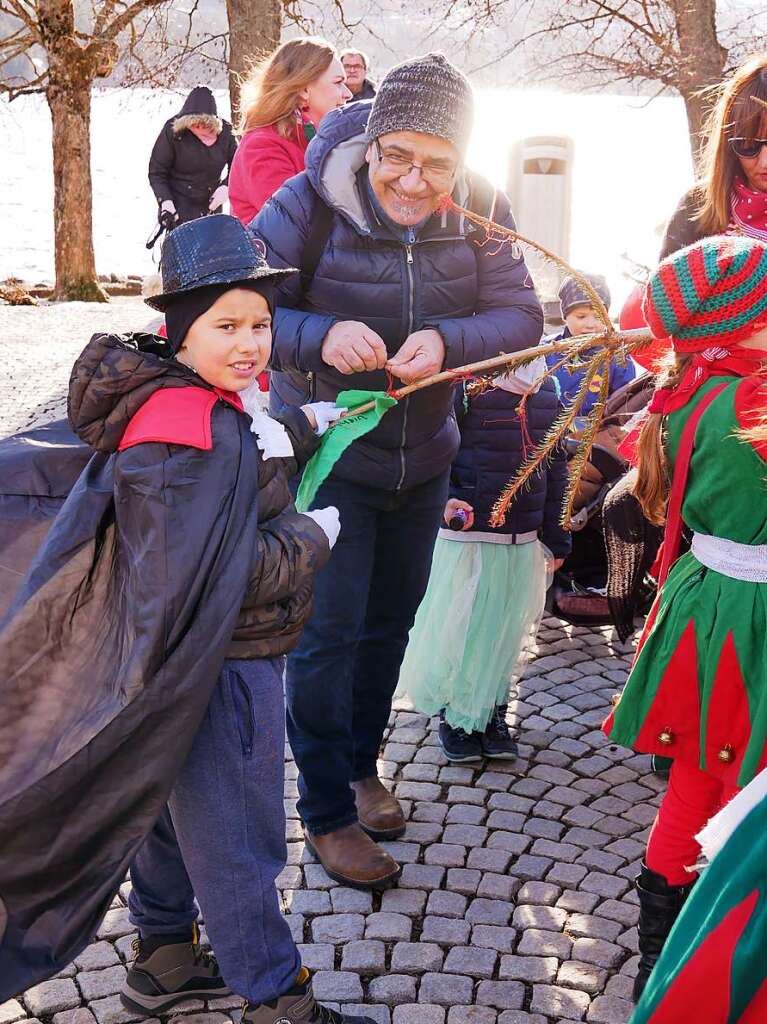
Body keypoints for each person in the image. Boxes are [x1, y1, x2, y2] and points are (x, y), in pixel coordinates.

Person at [0, 214, 378, 1024]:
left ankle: (165, 959)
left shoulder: (197, 401)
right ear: (179, 330)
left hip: (178, 668)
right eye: (225, 325)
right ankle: (276, 996)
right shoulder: (188, 432)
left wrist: (306, 426)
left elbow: (230, 479)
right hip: (222, 663)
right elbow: (208, 574)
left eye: (260, 324)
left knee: (169, 811)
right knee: (237, 840)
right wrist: (311, 537)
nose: (249, 344)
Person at [253, 52, 543, 890]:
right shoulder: (307, 201)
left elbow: (521, 313)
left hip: (425, 459)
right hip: (328, 458)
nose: (415, 183)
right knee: (326, 634)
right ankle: (325, 812)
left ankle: (360, 765)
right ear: (372, 141)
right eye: (398, 158)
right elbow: (243, 309)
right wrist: (319, 335)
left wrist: (451, 342)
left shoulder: (481, 206)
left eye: (437, 163)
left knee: (388, 626)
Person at [603, 234, 767, 1004]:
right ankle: (721, 958)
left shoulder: (689, 389)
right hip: (753, 615)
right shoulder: (752, 401)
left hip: (702, 601)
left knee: (694, 784)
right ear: (745, 321)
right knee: (743, 785)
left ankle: (655, 962)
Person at [394, 357, 571, 763]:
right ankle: (456, 716)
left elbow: (558, 466)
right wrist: (446, 499)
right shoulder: (467, 386)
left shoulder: (549, 390)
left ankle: (491, 712)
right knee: (464, 625)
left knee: (504, 631)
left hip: (521, 537)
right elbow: (435, 450)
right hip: (468, 534)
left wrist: (557, 538)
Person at [229, 38, 352, 225]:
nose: (348, 94)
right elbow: (297, 222)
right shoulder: (263, 146)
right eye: (338, 82)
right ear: (304, 89)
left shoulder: (315, 139)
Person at [660, 55, 767, 259]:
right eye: (747, 145)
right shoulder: (697, 206)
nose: (764, 162)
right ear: (727, 144)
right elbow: (662, 288)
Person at [543, 273, 635, 416]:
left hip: (596, 434)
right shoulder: (546, 351)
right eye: (581, 316)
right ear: (565, 316)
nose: (591, 325)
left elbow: (625, 403)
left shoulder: (617, 356)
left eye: (598, 317)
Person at [148, 86, 237, 229]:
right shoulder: (172, 132)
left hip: (211, 207)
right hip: (177, 207)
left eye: (205, 124)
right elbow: (157, 172)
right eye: (194, 124)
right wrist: (165, 201)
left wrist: (227, 186)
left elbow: (238, 165)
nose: (200, 128)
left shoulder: (226, 133)